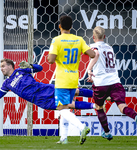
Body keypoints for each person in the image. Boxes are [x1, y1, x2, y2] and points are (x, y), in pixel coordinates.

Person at [47, 15, 95, 144]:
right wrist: (79, 51)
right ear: (72, 26)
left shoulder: (57, 40)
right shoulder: (78, 40)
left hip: (62, 79)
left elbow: (51, 60)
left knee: (61, 108)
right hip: (74, 79)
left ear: (60, 26)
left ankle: (81, 127)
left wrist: (53, 56)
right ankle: (64, 138)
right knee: (66, 108)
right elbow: (92, 54)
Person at [87, 26, 137, 141]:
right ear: (104, 37)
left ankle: (107, 132)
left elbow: (96, 54)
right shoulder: (109, 48)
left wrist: (89, 70)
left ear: (93, 37)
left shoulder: (93, 46)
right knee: (122, 106)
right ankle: (135, 116)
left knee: (99, 107)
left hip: (101, 83)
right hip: (115, 82)